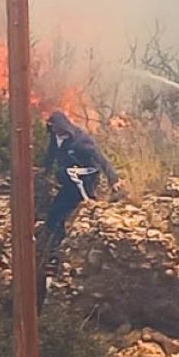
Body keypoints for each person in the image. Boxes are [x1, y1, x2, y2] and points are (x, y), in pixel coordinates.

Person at [37, 111, 122, 277]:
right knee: (54, 214)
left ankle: (57, 253)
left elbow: (101, 159)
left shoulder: (82, 141)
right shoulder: (56, 137)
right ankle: (53, 250)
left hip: (83, 180)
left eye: (55, 127)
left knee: (65, 213)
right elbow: (51, 152)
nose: (53, 131)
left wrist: (114, 179)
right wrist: (45, 170)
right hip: (68, 183)